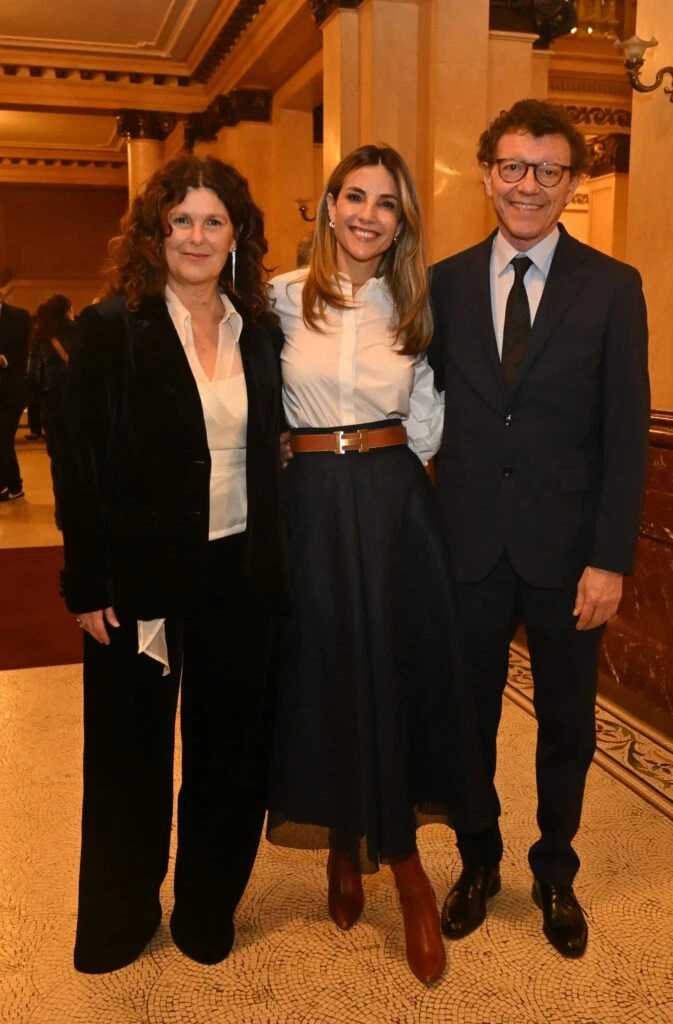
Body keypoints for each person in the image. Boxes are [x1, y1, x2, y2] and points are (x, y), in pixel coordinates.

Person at [266, 144, 495, 985]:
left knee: (395, 673)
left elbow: (430, 419)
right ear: (328, 207)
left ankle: (405, 871)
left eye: (386, 204)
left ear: (402, 222)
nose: (367, 214)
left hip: (396, 506)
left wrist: (385, 462)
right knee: (323, 669)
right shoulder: (280, 300)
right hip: (312, 505)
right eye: (353, 197)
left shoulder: (416, 302)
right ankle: (340, 839)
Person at [428, 99, 650, 958]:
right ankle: (476, 861)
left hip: (568, 559)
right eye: (514, 167)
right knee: (465, 723)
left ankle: (553, 869)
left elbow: (624, 433)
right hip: (467, 550)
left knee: (566, 726)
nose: (529, 186)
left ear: (571, 184)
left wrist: (609, 559)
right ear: (486, 173)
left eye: (549, 171)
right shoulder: (442, 282)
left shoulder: (610, 286)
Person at [59, 155, 287, 973]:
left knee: (231, 753)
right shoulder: (109, 326)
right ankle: (119, 921)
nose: (196, 235)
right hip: (136, 579)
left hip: (242, 575)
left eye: (213, 221)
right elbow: (77, 462)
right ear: (156, 235)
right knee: (128, 758)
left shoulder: (258, 329)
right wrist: (85, 582)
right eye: (180, 220)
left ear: (237, 237)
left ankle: (204, 910)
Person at [28, 294, 76, 527]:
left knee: (59, 463)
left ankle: (63, 513)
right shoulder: (81, 333)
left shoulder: (41, 337)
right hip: (81, 407)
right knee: (84, 461)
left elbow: (33, 376)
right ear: (67, 311)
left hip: (54, 409)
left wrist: (40, 403)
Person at [0, 294, 31, 501]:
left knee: (3, 436)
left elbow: (26, 349)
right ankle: (13, 485)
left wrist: (6, 359)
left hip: (12, 389)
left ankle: (8, 484)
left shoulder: (19, 316)